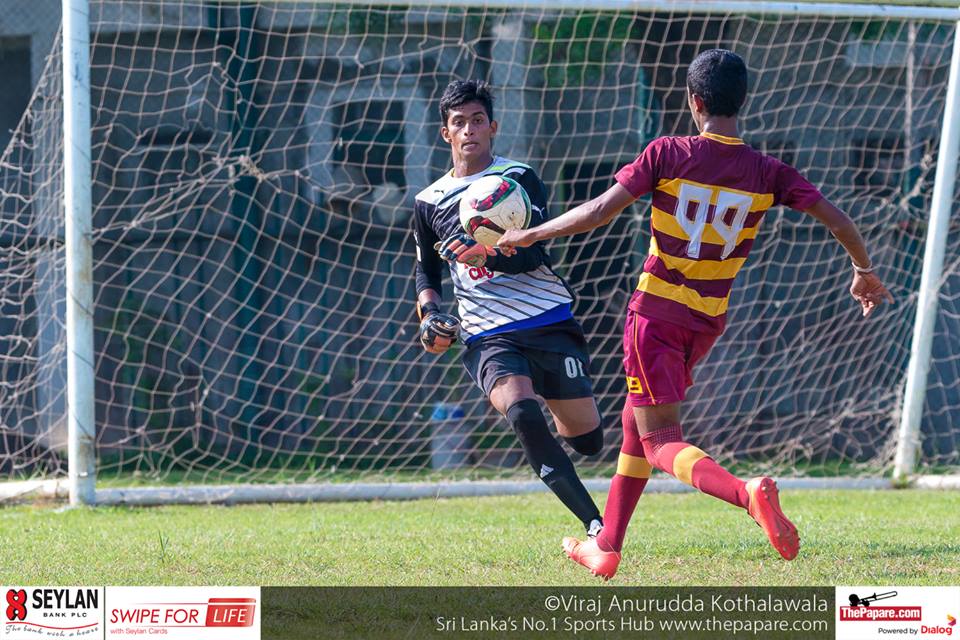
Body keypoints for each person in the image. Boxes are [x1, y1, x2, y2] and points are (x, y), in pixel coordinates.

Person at [498, 50, 893, 579]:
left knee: (660, 439)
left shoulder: (667, 152)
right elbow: (838, 219)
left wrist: (532, 232)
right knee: (635, 425)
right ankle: (607, 544)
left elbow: (598, 212)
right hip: (704, 323)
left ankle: (745, 493)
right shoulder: (767, 171)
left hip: (654, 317)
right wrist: (863, 270)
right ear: (742, 102)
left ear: (694, 101)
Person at [413, 79, 607, 538]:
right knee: (521, 412)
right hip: (487, 333)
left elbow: (535, 253)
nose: (469, 130)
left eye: (477, 120)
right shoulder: (428, 202)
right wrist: (430, 317)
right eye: (458, 122)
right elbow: (427, 274)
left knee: (588, 441)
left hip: (547, 320)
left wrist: (486, 254)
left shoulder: (517, 178)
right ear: (446, 133)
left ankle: (568, 430)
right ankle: (595, 524)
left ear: (492, 127)